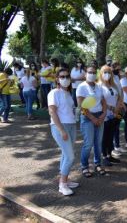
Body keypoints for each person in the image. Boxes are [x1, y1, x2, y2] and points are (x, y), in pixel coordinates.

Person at [48, 68, 79, 196]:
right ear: (57, 79)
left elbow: (68, 110)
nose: (65, 78)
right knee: (70, 156)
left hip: (71, 125)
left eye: (67, 76)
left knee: (66, 154)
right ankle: (62, 184)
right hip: (60, 126)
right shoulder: (53, 93)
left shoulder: (68, 94)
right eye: (62, 76)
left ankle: (66, 179)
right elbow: (52, 112)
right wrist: (61, 130)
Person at [76, 65, 107, 177]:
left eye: (94, 72)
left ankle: (98, 164)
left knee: (98, 144)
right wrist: (93, 118)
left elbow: (103, 101)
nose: (92, 74)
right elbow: (82, 106)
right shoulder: (81, 87)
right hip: (88, 118)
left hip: (99, 116)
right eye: (90, 72)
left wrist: (103, 114)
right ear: (85, 74)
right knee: (88, 144)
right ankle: (84, 166)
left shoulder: (99, 86)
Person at [99, 65, 125, 166]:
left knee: (110, 136)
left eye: (109, 72)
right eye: (105, 72)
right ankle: (104, 156)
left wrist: (117, 109)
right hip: (104, 115)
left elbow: (119, 98)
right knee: (104, 137)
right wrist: (111, 108)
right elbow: (100, 101)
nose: (107, 74)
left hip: (114, 114)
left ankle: (110, 155)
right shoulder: (99, 86)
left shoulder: (113, 85)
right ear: (101, 74)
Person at [112, 62, 127, 153]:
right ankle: (112, 148)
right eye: (117, 69)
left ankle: (117, 145)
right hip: (112, 107)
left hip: (119, 105)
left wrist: (122, 103)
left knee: (116, 126)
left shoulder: (117, 77)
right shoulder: (110, 78)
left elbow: (120, 90)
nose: (119, 71)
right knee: (112, 127)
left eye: (119, 69)